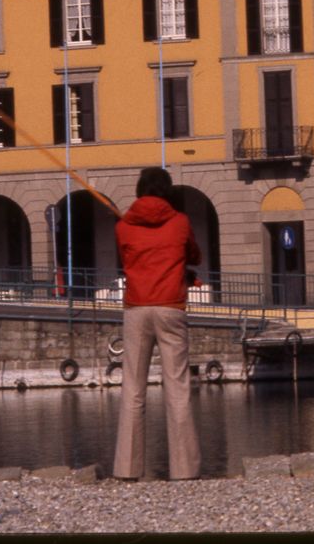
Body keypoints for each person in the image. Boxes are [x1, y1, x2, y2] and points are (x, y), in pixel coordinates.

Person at [112, 167, 202, 481]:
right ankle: (184, 470)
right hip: (170, 306)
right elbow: (195, 254)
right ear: (167, 192)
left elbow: (123, 257)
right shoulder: (180, 222)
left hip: (136, 308)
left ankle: (127, 469)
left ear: (139, 190)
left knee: (133, 388)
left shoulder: (123, 226)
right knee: (177, 388)